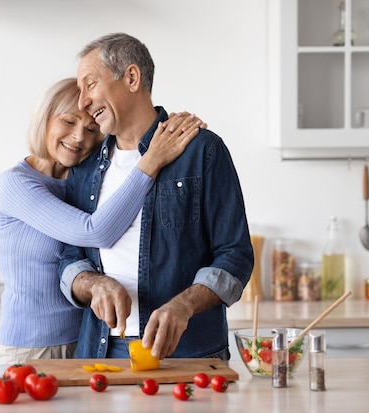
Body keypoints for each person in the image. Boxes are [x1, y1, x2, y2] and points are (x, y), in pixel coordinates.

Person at [58, 33, 254, 361]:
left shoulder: (202, 151)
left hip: (188, 353)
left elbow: (235, 256)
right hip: (102, 353)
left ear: (131, 78)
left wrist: (184, 305)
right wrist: (93, 284)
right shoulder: (84, 167)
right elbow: (69, 257)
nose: (82, 103)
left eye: (90, 85)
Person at [0, 77, 204, 364]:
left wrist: (170, 127)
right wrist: (152, 160)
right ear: (44, 119)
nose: (79, 137)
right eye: (68, 121)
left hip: (87, 343)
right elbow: (95, 232)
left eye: (91, 128)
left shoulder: (84, 184)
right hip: (30, 349)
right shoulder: (14, 185)